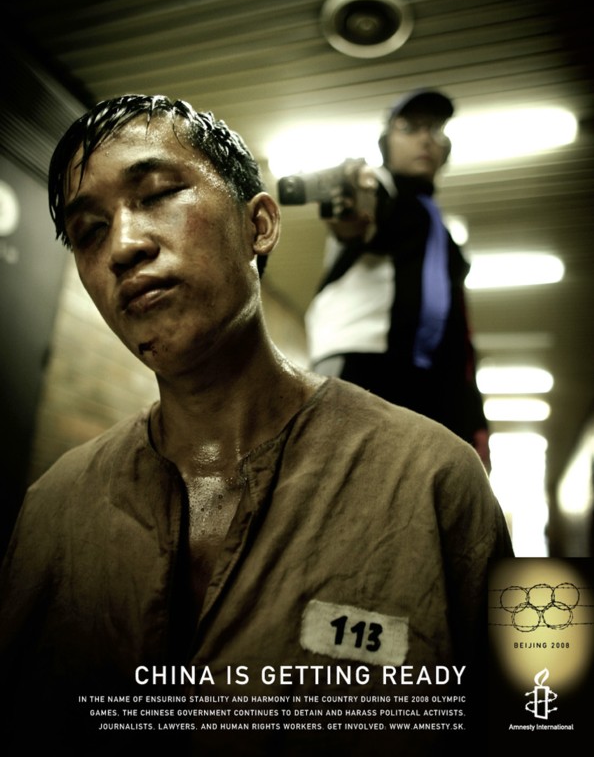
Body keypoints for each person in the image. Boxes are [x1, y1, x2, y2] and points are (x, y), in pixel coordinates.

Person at [0, 94, 512, 756]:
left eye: (158, 195)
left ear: (260, 225)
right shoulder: (51, 511)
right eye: (90, 231)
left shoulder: (436, 483)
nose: (123, 246)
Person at [305, 89, 490, 466]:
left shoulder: (440, 231)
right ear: (386, 142)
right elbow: (358, 211)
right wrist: (349, 198)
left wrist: (472, 412)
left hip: (429, 379)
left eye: (435, 129)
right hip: (363, 364)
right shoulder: (380, 186)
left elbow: (457, 328)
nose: (425, 138)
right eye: (410, 127)